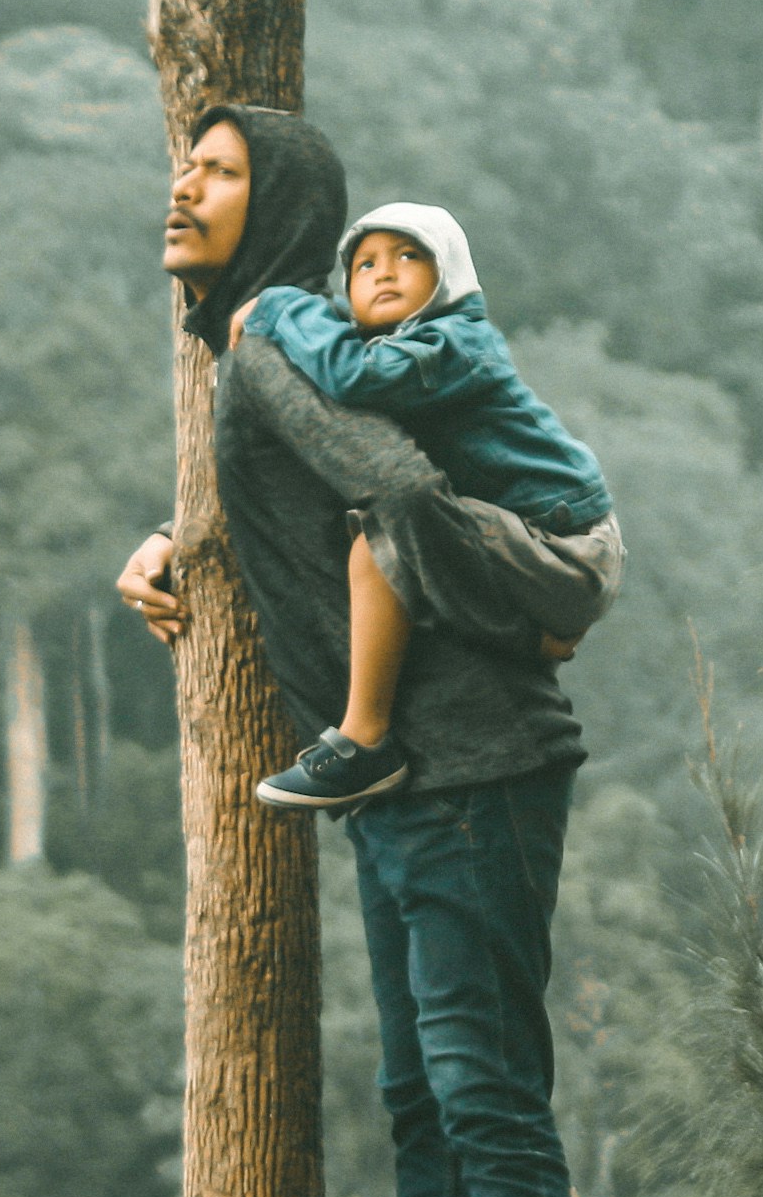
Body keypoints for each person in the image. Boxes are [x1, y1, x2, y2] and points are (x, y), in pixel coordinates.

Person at [117, 105, 587, 1197]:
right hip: (397, 778)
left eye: (217, 171)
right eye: (185, 163)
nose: (182, 185)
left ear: (277, 208)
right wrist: (176, 533)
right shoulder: (254, 348)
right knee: (421, 1104)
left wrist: (522, 598)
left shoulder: (275, 327)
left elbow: (393, 482)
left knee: (486, 1098)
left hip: (473, 761)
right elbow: (305, 491)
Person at [241, 199, 622, 811]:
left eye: (408, 256)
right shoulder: (399, 348)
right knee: (392, 541)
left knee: (382, 540)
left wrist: (283, 309)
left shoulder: (452, 342)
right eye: (364, 265)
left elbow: (354, 377)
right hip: (530, 541)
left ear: (450, 274)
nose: (385, 272)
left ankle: (364, 742)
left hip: (568, 546)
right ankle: (533, 635)